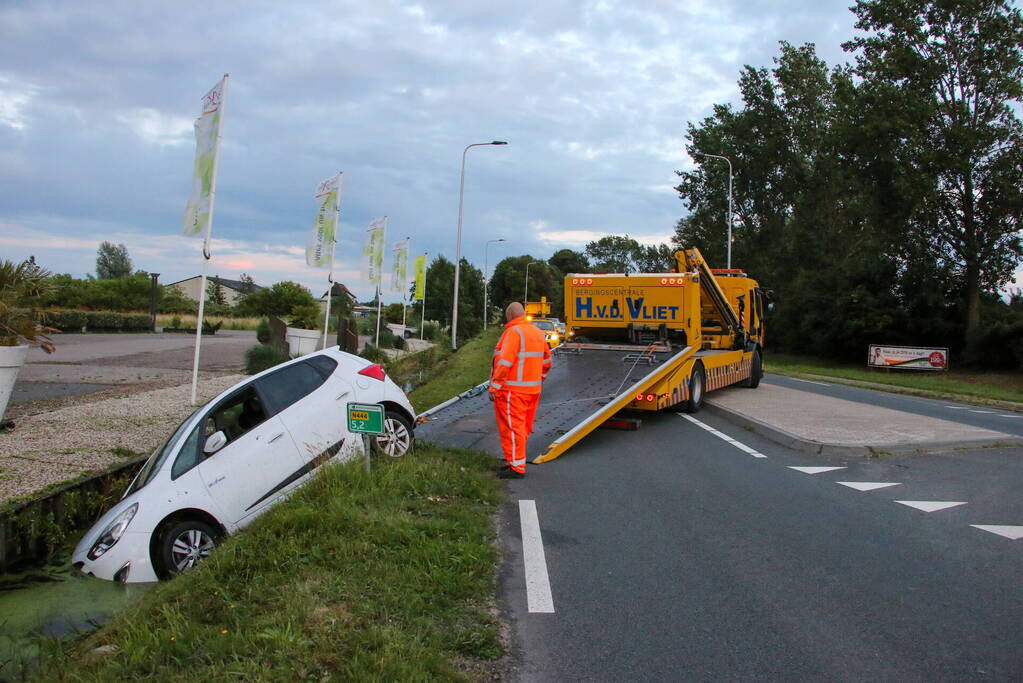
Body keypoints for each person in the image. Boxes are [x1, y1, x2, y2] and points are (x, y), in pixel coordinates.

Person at [490, 301, 552, 478]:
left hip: (512, 391)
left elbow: (504, 363)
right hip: (532, 391)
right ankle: (514, 461)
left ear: (509, 316)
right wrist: (539, 379)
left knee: (512, 428)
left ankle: (517, 468)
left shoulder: (513, 332)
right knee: (522, 428)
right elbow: (547, 362)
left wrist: (495, 387)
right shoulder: (537, 332)